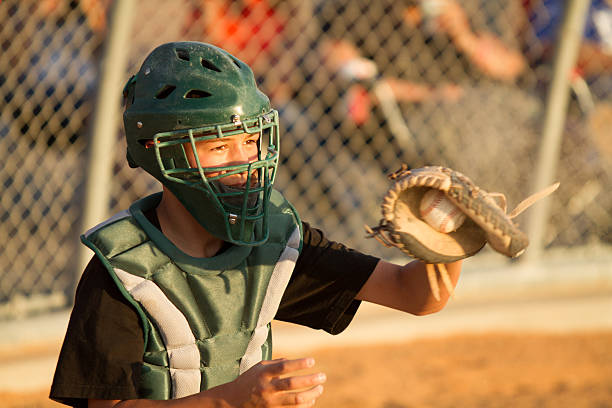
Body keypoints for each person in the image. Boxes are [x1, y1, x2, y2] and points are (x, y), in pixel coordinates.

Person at [49, 41, 463, 408]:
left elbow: (415, 295)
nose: (246, 162)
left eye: (251, 141)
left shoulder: (272, 242)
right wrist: (228, 401)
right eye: (218, 145)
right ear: (161, 152)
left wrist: (445, 239)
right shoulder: (124, 271)